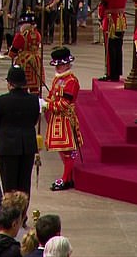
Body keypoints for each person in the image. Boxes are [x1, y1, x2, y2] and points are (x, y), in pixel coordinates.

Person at [0, 65, 40, 195]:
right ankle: (22, 214)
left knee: (9, 184)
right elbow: (34, 120)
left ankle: (10, 213)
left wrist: (3, 134)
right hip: (27, 146)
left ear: (10, 83)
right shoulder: (34, 100)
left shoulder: (1, 100)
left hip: (7, 147)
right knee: (24, 184)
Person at [44, 47, 84, 191]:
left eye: (60, 65)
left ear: (67, 64)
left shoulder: (71, 81)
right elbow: (53, 96)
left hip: (66, 119)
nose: (58, 68)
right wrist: (46, 102)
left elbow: (65, 103)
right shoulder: (58, 79)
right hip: (57, 119)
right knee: (62, 151)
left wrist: (48, 104)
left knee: (68, 151)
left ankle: (67, 178)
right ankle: (67, 177)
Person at [98, 0, 128, 82]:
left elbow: (102, 7)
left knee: (110, 49)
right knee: (118, 47)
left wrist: (100, 18)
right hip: (121, 20)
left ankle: (110, 73)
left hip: (110, 21)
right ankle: (117, 72)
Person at [8, 13, 43, 95]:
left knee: (23, 84)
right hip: (37, 60)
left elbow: (12, 53)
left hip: (25, 61)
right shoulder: (38, 34)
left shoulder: (21, 36)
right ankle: (35, 101)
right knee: (35, 86)